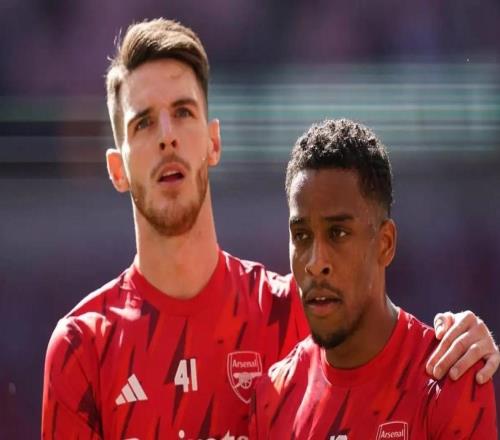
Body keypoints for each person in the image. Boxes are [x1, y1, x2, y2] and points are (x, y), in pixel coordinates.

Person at [41, 19, 499, 439]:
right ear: (117, 169)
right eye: (143, 123)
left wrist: (460, 341)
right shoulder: (83, 348)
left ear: (214, 142)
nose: (166, 136)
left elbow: (393, 367)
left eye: (182, 112)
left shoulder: (297, 313)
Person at [249, 119, 497, 439]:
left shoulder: (450, 380)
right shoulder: (273, 398)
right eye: (301, 235)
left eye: (338, 233)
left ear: (385, 244)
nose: (316, 263)